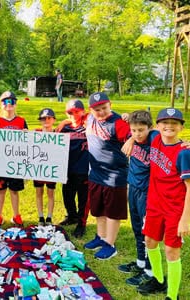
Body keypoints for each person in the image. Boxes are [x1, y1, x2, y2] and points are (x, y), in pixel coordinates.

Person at [136, 108, 190, 300]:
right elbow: (136, 127)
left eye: (174, 123)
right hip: (154, 203)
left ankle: (172, 295)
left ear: (181, 127)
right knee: (150, 240)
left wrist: (185, 219)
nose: (169, 126)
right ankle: (158, 280)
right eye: (165, 123)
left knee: (171, 250)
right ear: (157, 126)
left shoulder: (184, 153)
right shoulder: (155, 139)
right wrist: (128, 138)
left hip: (175, 209)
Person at [83, 92, 131, 260]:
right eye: (97, 109)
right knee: (98, 209)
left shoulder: (118, 122)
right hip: (96, 172)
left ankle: (110, 244)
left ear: (110, 104)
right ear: (91, 110)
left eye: (104, 107)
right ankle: (101, 236)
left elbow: (135, 137)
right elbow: (77, 120)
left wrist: (130, 130)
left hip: (115, 174)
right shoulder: (90, 119)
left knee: (112, 212)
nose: (101, 112)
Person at [118, 110, 157, 286]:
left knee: (147, 230)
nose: (137, 134)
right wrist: (132, 136)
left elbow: (173, 140)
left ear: (150, 127)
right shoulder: (131, 133)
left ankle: (150, 271)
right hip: (132, 186)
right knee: (136, 227)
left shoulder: (156, 137)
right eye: (134, 130)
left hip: (147, 191)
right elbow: (118, 117)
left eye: (141, 130)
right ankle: (141, 263)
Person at [0, 91, 28, 227]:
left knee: (14, 190)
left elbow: (28, 144)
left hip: (16, 163)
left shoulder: (21, 121)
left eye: (12, 102)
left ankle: (16, 215)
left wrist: (26, 136)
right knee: (1, 190)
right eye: (5, 102)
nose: (9, 105)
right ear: (1, 104)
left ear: (16, 104)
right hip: (1, 162)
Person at [57, 99, 89, 238]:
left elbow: (100, 115)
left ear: (83, 111)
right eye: (70, 112)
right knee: (67, 196)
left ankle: (81, 224)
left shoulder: (89, 126)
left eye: (77, 111)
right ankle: (71, 216)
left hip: (84, 170)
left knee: (83, 199)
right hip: (67, 169)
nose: (73, 114)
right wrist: (63, 122)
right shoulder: (64, 128)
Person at [34, 108, 56, 226]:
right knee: (39, 192)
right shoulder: (36, 132)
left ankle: (49, 217)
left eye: (49, 118)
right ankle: (40, 216)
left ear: (54, 120)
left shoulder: (57, 135)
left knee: (50, 193)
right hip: (38, 169)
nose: (46, 120)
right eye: (43, 119)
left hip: (51, 169)